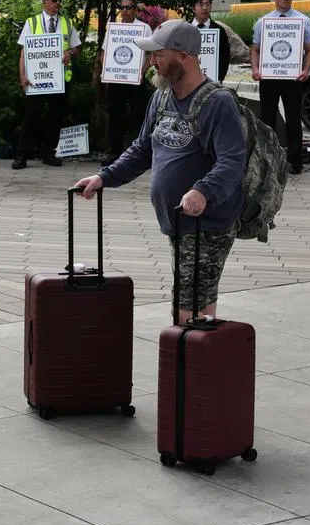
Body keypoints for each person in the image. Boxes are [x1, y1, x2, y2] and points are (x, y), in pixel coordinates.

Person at [76, 20, 246, 323]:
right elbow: (143, 149)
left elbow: (233, 160)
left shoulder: (218, 102)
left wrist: (202, 190)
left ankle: (186, 363)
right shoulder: (162, 96)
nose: (151, 61)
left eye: (158, 54)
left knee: (187, 306)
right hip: (179, 222)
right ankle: (201, 362)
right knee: (198, 303)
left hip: (207, 223)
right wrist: (104, 177)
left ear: (184, 56)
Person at [250, 0, 310, 175]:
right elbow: (255, 50)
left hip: (293, 77)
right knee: (267, 119)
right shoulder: (263, 22)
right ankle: (268, 161)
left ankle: (295, 161)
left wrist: (306, 69)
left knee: (294, 119)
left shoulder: (304, 21)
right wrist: (255, 69)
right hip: (269, 76)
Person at [13, 0, 81, 170]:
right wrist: (23, 76)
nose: (58, 3)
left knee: (56, 117)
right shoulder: (32, 22)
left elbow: (76, 48)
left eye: (60, 0)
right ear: (44, 2)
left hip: (60, 79)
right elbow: (23, 53)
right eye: (54, 0)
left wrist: (69, 52)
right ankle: (22, 155)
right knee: (31, 116)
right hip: (37, 79)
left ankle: (48, 153)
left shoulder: (67, 22)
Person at [92, 0, 151, 162]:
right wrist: (107, 71)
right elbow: (104, 54)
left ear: (135, 10)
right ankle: (114, 152)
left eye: (128, 7)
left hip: (135, 80)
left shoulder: (144, 28)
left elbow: (152, 55)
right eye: (122, 7)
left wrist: (141, 72)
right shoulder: (113, 28)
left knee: (139, 115)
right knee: (114, 114)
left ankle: (142, 152)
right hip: (116, 80)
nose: (124, 11)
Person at [192, 0, 231, 84]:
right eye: (201, 5)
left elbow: (225, 56)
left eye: (207, 4)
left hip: (213, 82)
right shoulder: (186, 30)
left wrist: (219, 78)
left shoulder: (219, 30)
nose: (205, 8)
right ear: (193, 8)